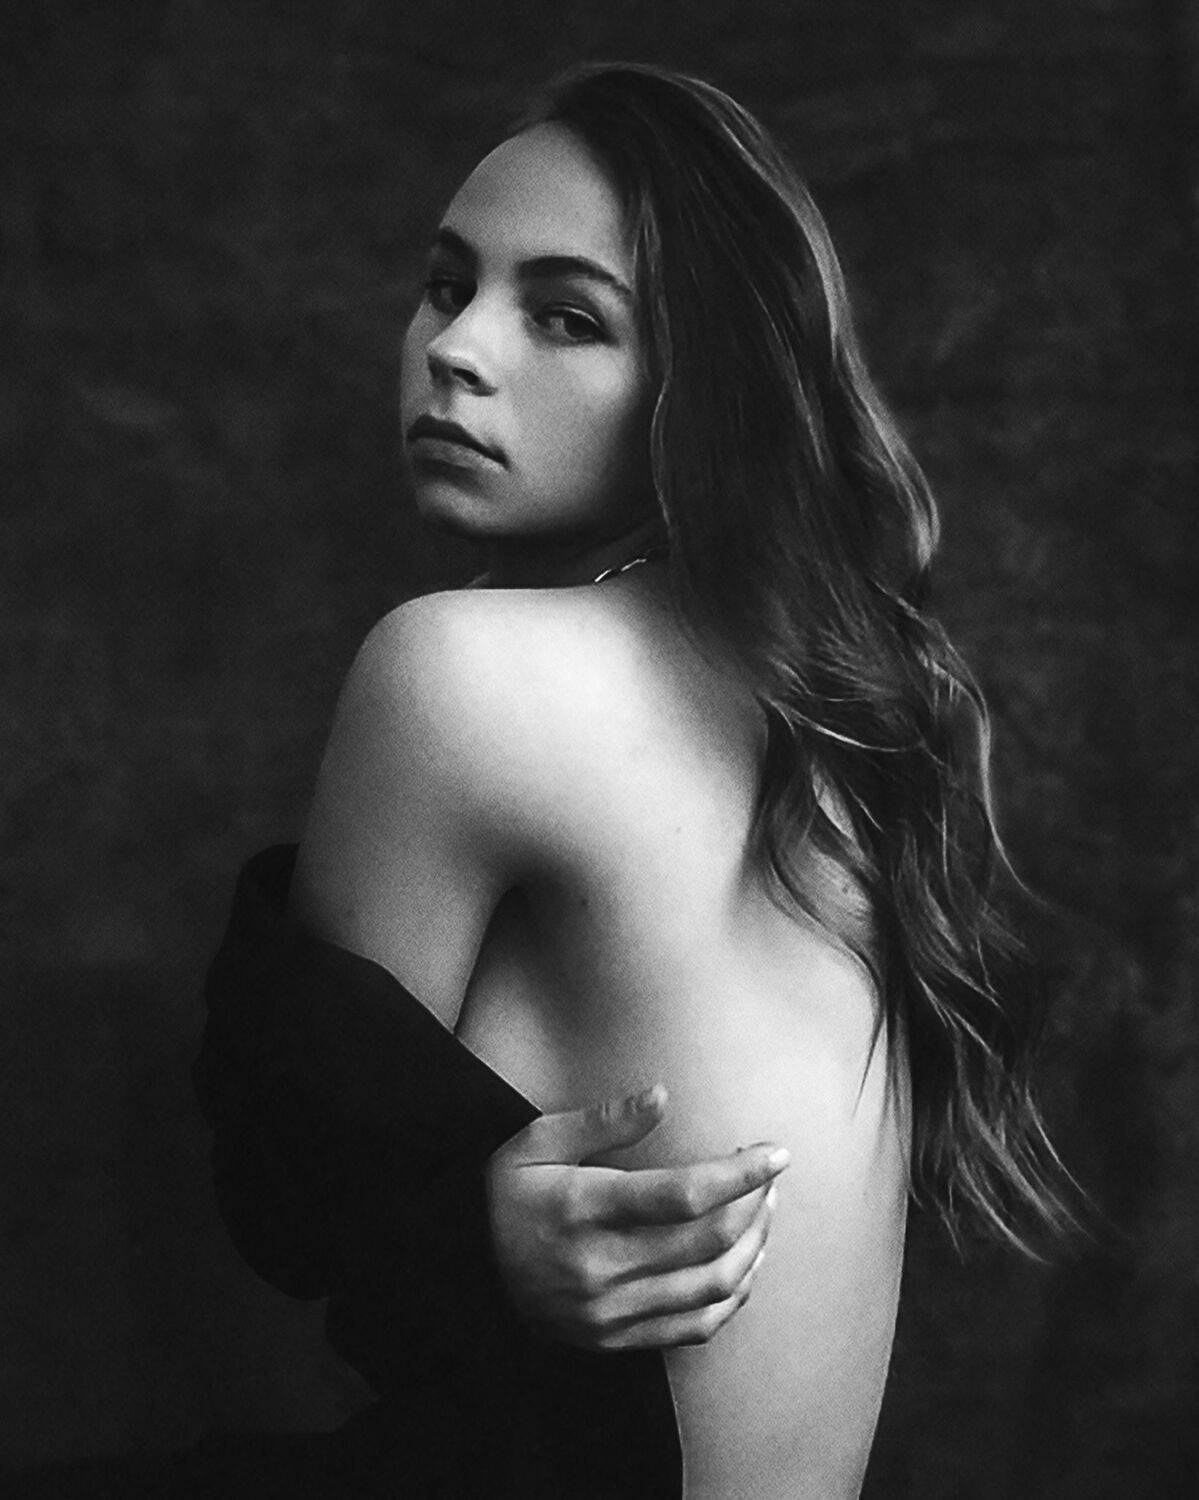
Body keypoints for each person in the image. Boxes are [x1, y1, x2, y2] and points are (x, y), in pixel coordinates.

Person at [198, 62, 1067, 1498]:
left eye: (567, 317)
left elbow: (288, 1200)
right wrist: (471, 1225)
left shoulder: (454, 673)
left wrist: (453, 1233)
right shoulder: (828, 708)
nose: (454, 349)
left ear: (696, 389)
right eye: (446, 286)